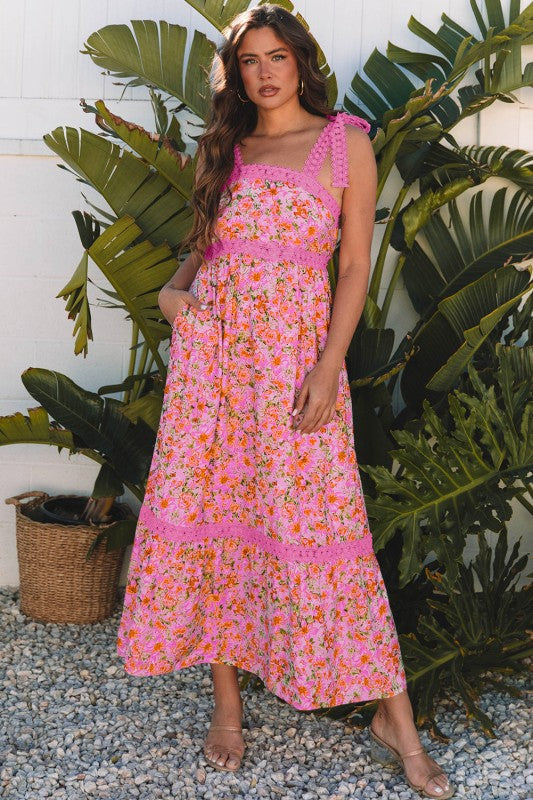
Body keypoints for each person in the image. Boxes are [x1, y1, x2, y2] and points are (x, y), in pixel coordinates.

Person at [116, 5, 454, 798]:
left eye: (277, 57)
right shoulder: (228, 148)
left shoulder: (345, 142)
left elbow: (353, 268)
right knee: (214, 522)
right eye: (249, 61)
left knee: (325, 528)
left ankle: (396, 724)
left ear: (301, 61)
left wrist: (328, 366)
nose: (264, 73)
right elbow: (199, 255)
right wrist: (171, 299)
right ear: (234, 75)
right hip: (213, 371)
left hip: (295, 369)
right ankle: (227, 709)